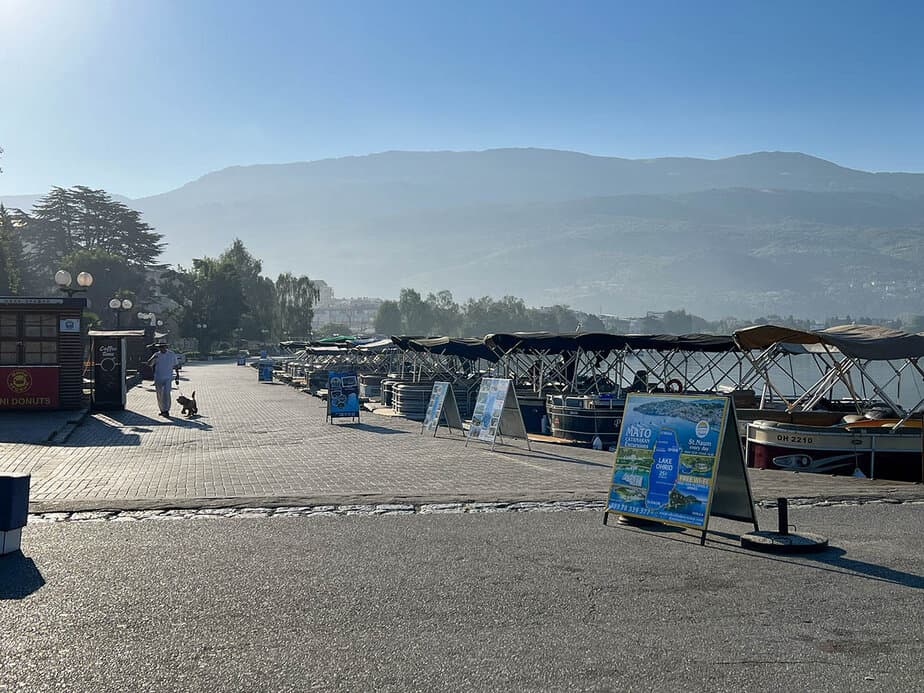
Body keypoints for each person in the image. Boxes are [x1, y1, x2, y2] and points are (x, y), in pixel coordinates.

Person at [147, 341, 181, 417]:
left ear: (166, 347)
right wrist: (152, 358)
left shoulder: (171, 354)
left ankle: (166, 410)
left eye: (163, 347)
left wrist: (177, 375)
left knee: (166, 393)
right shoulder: (156, 355)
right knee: (159, 394)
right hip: (158, 377)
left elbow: (176, 365)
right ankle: (162, 410)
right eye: (160, 347)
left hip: (168, 377)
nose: (161, 348)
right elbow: (149, 364)